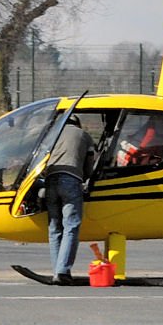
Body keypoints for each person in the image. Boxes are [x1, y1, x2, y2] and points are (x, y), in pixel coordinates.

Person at [43, 115, 95, 285]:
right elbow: (89, 165)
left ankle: (57, 270)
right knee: (71, 226)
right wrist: (86, 179)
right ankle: (63, 271)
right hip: (71, 180)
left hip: (50, 180)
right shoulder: (84, 135)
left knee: (54, 228)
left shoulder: (51, 134)